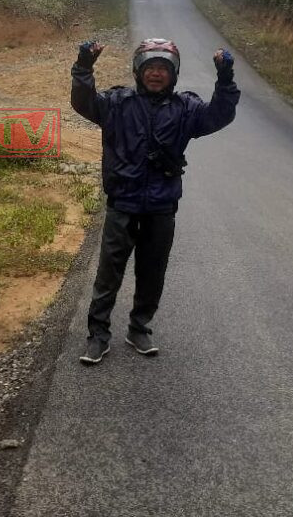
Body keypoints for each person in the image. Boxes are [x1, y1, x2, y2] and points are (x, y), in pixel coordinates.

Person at [70, 38, 241, 364]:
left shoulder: (185, 109)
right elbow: (84, 102)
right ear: (138, 71)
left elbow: (219, 115)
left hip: (161, 208)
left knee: (152, 272)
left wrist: (226, 79)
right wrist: (83, 67)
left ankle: (139, 326)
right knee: (109, 274)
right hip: (122, 203)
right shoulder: (118, 103)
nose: (156, 74)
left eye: (163, 69)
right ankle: (98, 334)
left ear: (174, 74)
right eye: (151, 68)